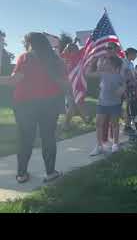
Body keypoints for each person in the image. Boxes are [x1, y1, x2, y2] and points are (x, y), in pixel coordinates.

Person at [0, 32, 66, 183]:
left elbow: (14, 81)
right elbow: (64, 84)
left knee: (25, 139)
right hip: (50, 104)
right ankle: (50, 173)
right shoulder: (57, 60)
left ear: (30, 43)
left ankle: (22, 174)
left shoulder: (26, 57)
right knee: (48, 137)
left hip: (25, 104)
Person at [86, 55, 126, 155]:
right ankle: (99, 146)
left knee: (115, 124)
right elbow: (88, 74)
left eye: (107, 62)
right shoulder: (102, 74)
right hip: (102, 104)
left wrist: (122, 89)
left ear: (113, 65)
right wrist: (92, 63)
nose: (104, 64)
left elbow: (124, 84)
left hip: (114, 104)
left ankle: (115, 144)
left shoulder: (119, 76)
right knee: (99, 124)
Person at [60, 39, 90, 130]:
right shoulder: (66, 56)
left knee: (79, 103)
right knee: (72, 108)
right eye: (70, 50)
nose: (72, 51)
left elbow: (87, 47)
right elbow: (64, 52)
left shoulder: (79, 55)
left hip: (79, 85)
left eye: (74, 49)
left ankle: (86, 119)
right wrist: (73, 43)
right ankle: (67, 124)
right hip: (69, 86)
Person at [122, 47, 137, 136]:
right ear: (130, 54)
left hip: (130, 88)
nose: (136, 56)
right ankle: (126, 127)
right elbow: (124, 75)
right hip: (125, 87)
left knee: (129, 107)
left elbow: (133, 75)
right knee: (127, 107)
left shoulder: (131, 64)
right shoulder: (124, 62)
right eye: (135, 54)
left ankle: (128, 125)